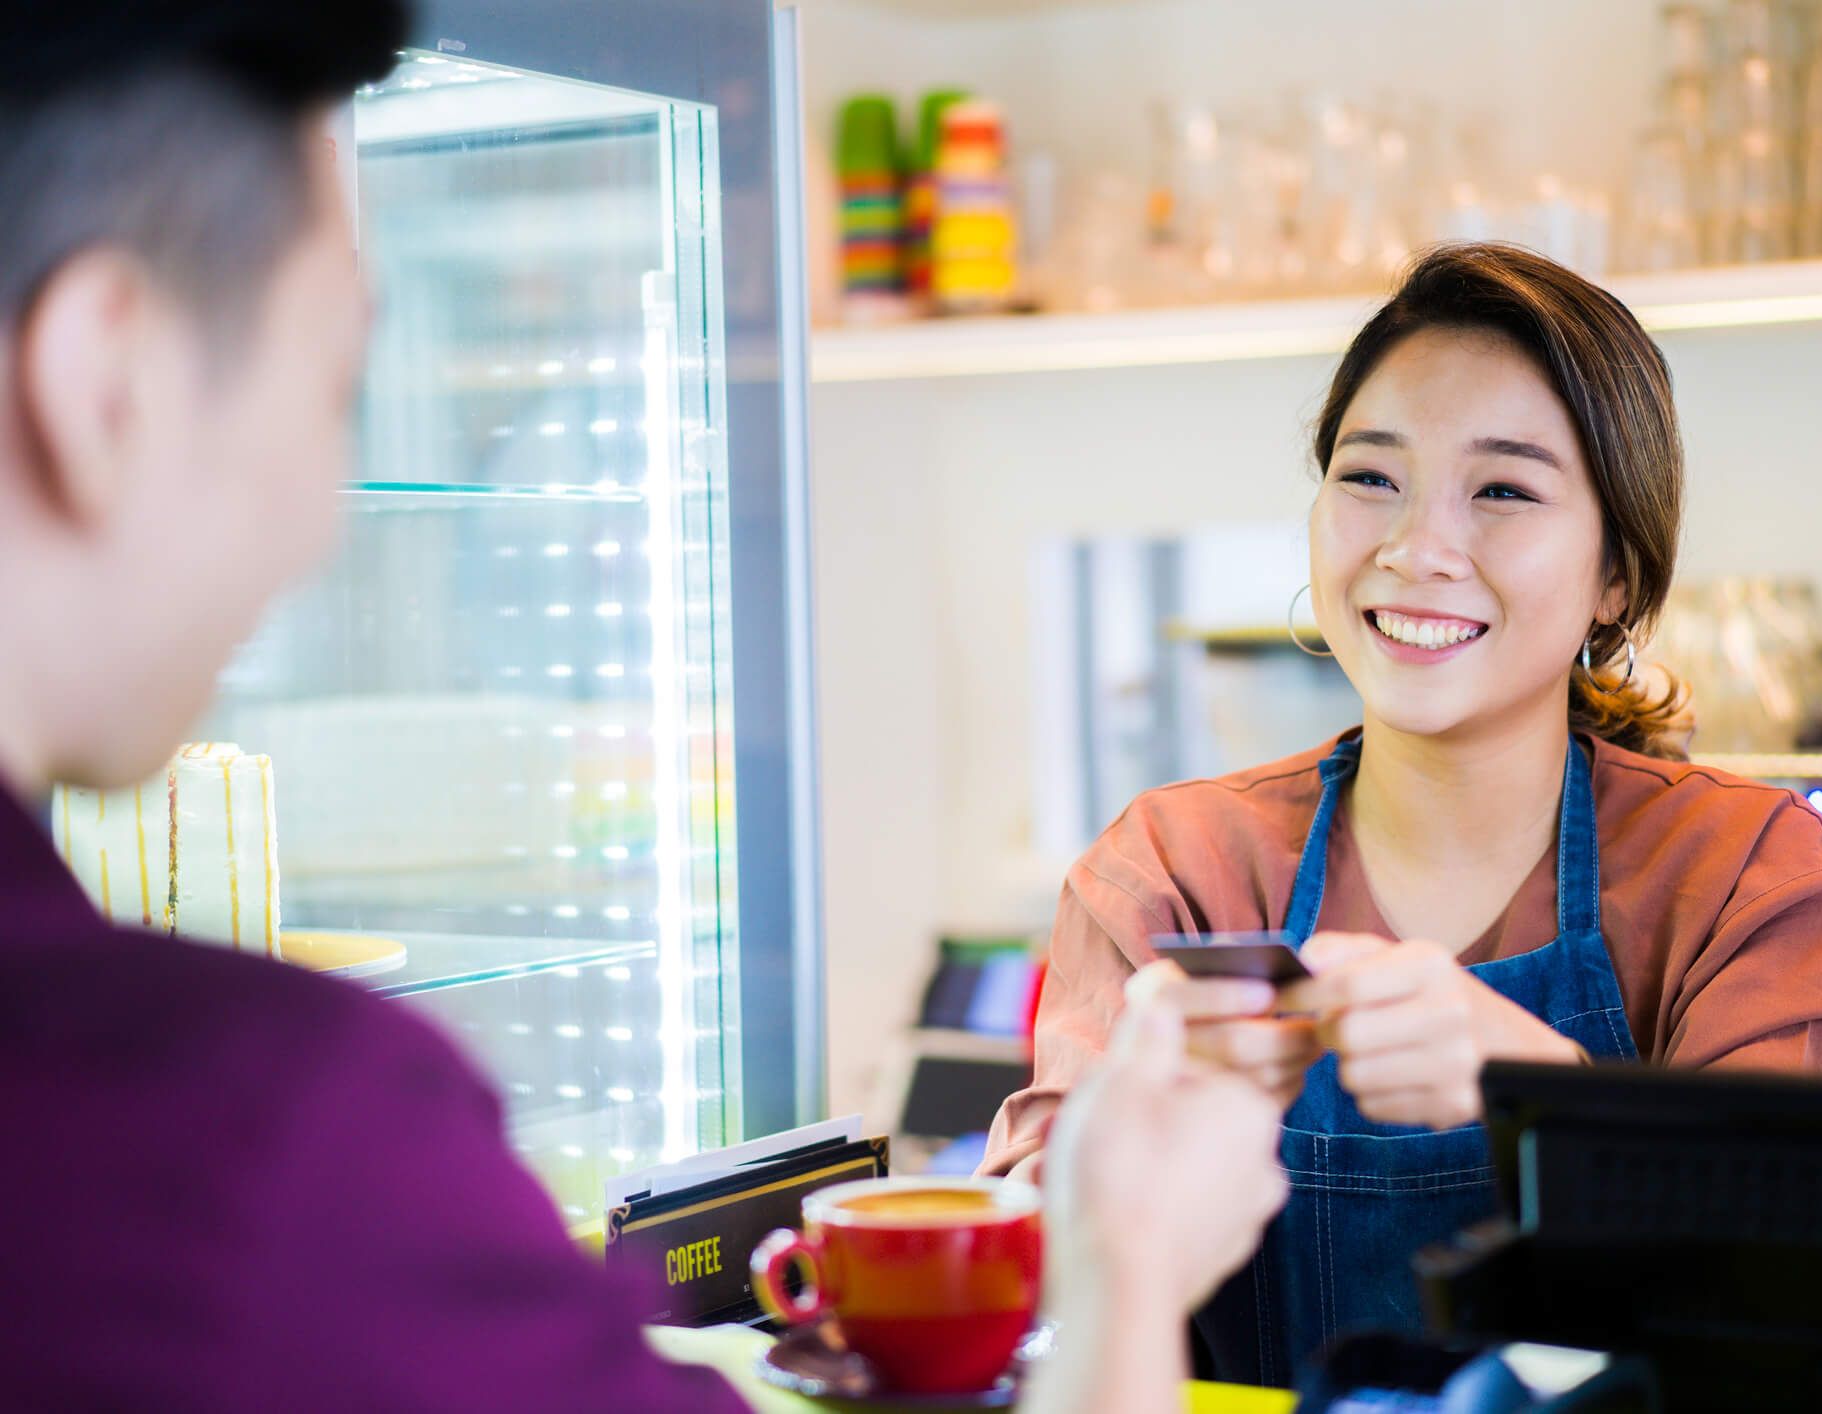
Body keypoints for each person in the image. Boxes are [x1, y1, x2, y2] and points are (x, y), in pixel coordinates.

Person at [0, 4, 1284, 1409]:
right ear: (102, 378)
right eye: (333, 381)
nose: (324, 520)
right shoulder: (257, 1135)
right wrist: (1132, 1269)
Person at [982, 242, 1822, 1387]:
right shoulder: (1174, 870)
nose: (1417, 550)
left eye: (1503, 489)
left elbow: (1806, 1306)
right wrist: (1117, 1153)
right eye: (1371, 477)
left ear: (1617, 574)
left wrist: (1544, 1097)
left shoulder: (1754, 878)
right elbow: (1025, 1283)